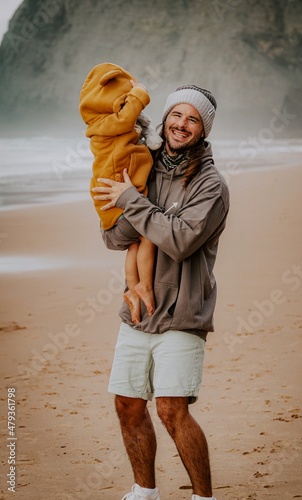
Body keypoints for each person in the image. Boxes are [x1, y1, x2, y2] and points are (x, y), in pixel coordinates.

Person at [92, 84, 230, 500]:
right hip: (137, 311)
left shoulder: (211, 185)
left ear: (203, 129)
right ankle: (144, 491)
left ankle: (203, 497)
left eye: (192, 119)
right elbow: (115, 239)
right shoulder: (143, 167)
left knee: (172, 410)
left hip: (184, 311)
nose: (181, 124)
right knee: (127, 404)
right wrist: (128, 206)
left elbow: (182, 240)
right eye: (176, 115)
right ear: (166, 118)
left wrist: (134, 203)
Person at [79, 62, 162, 324]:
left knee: (135, 244)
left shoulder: (103, 125)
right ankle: (144, 286)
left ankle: (132, 290)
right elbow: (128, 117)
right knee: (150, 232)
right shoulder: (111, 123)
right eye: (124, 98)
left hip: (113, 209)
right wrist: (140, 93)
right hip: (118, 208)